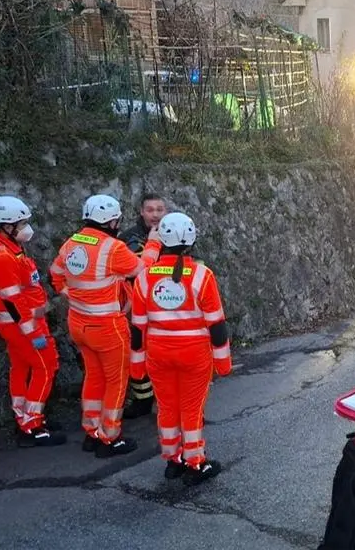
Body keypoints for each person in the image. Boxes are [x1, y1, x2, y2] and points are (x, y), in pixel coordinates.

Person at [50, 195, 160, 458]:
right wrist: (154, 242)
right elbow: (143, 269)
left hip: (79, 324)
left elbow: (54, 274)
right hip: (107, 327)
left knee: (94, 377)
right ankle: (110, 437)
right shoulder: (112, 247)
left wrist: (73, 296)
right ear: (111, 221)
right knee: (116, 382)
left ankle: (92, 431)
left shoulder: (72, 243)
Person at [130, 212, 232, 486]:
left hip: (158, 353)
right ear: (192, 240)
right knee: (191, 408)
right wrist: (223, 363)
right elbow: (217, 325)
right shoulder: (202, 275)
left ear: (160, 239)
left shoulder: (144, 277)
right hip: (194, 354)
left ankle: (173, 460)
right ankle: (196, 462)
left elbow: (138, 327)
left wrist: (136, 364)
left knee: (166, 407)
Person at [0, 196, 66, 448]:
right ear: (6, 226)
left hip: (16, 325)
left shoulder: (2, 247)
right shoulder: (1, 258)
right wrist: (33, 332)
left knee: (21, 368)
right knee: (46, 367)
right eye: (21, 223)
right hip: (22, 326)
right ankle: (32, 426)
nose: (27, 227)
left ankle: (23, 417)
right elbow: (13, 302)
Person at [118, 193, 168, 420]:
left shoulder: (175, 232)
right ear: (141, 211)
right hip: (138, 303)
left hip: (167, 302)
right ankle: (143, 400)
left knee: (165, 353)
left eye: (159, 210)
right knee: (137, 353)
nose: (155, 214)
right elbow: (130, 271)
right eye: (150, 210)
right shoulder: (128, 238)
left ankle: (166, 398)